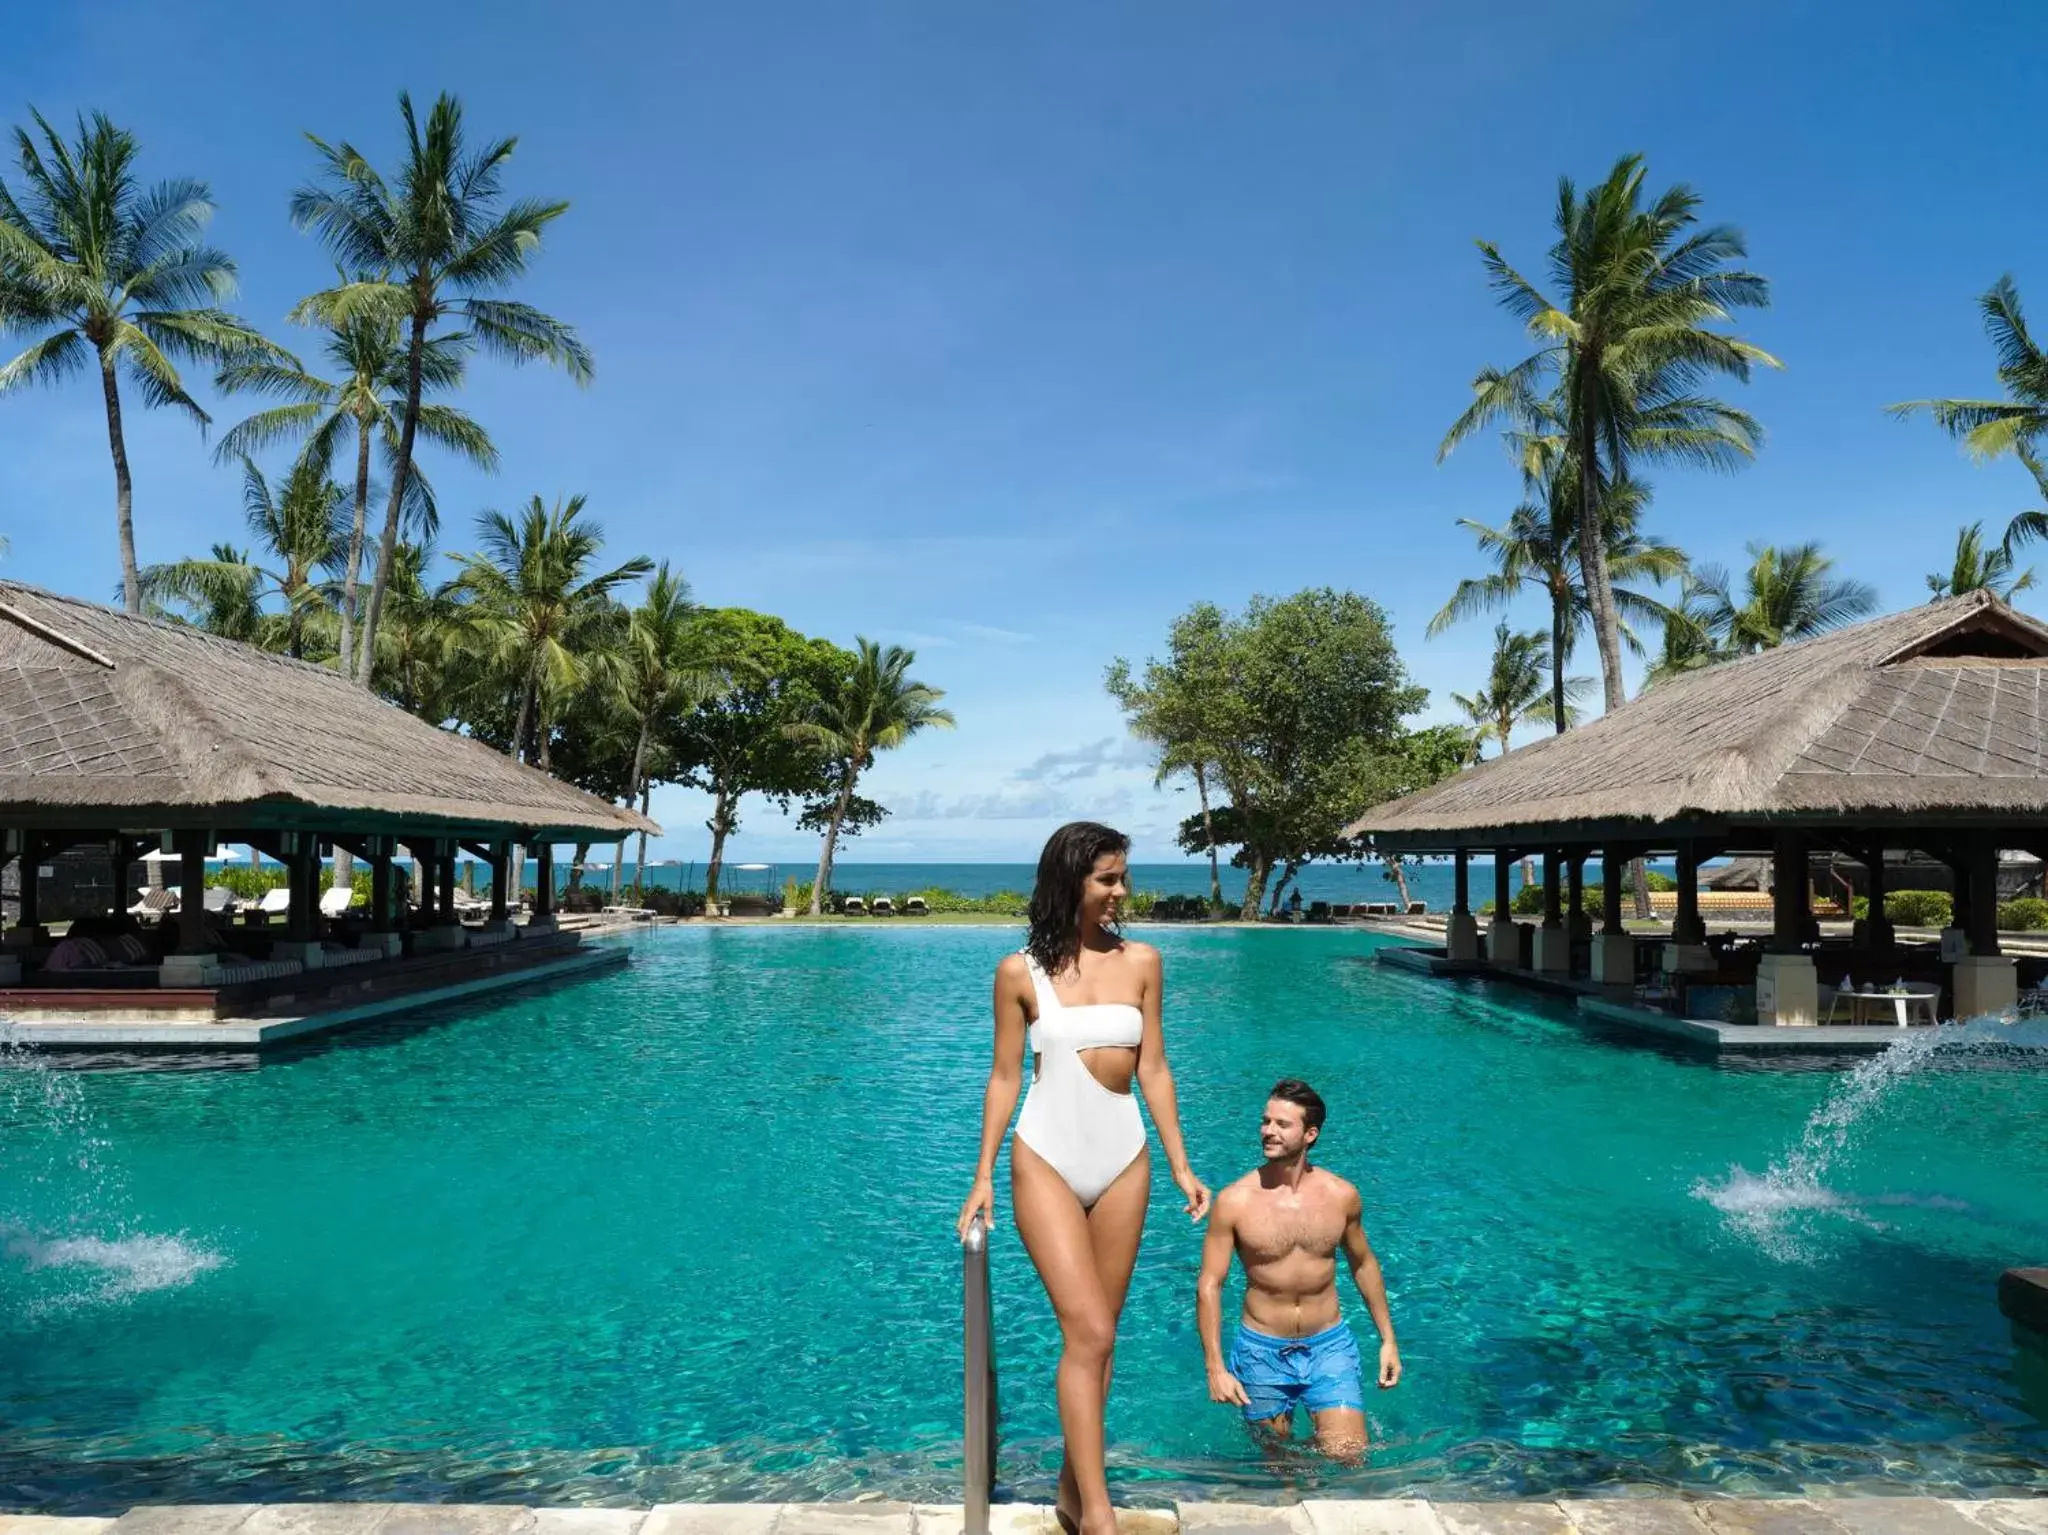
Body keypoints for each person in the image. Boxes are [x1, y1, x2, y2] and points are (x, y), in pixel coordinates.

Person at [958, 821, 1211, 1535]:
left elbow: (1154, 1067)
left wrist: (1183, 1164)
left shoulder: (1144, 961)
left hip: (1126, 1157)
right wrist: (980, 1175)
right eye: (1107, 877)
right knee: (1089, 1328)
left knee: (1105, 1337)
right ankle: (1098, 1517)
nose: (1120, 890)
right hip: (1045, 1155)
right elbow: (1005, 1076)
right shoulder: (1019, 972)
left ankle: (1073, 1488)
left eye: (1122, 876)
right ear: (1070, 879)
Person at [1195, 1079, 1400, 1459]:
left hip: (1329, 1345)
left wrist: (1388, 1339)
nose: (1268, 1131)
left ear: (1310, 1134)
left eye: (1281, 1124)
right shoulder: (1234, 1201)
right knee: (1281, 1467)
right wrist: (1215, 1368)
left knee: (1348, 1455)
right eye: (1265, 1121)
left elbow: (1363, 1262)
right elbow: (1210, 1283)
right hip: (1262, 1350)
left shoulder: (1342, 1196)